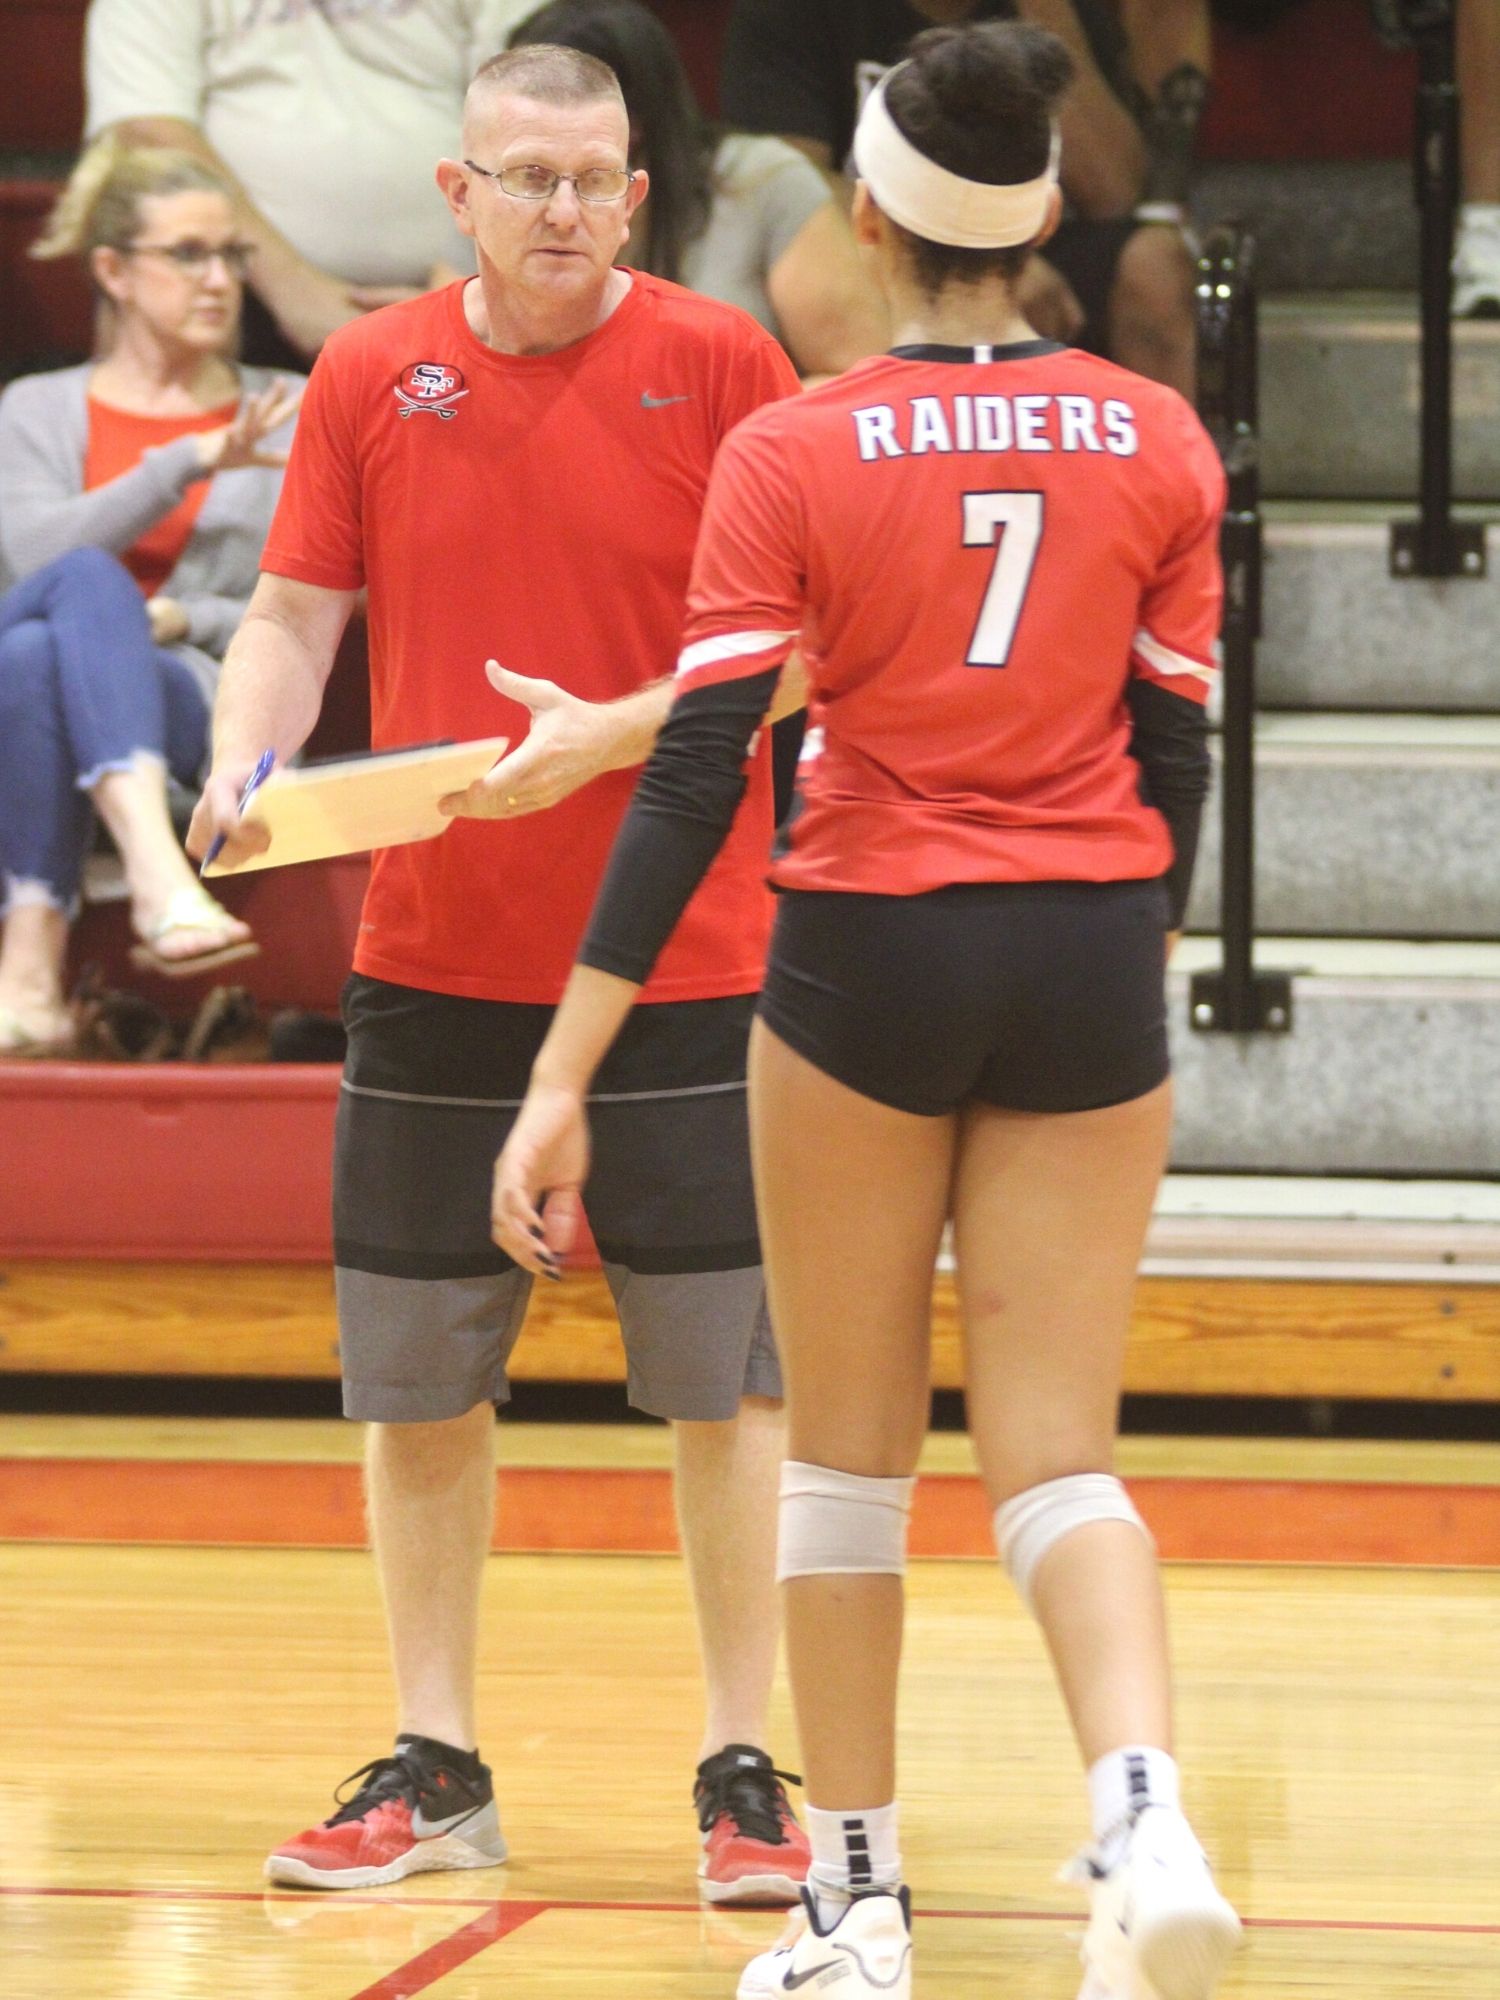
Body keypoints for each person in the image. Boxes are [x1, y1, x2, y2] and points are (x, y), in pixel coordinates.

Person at [493, 21, 1242, 2000]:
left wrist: (563, 1072)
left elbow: (695, 775)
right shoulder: (1161, 438)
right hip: (1090, 946)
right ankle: (1148, 1806)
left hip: (866, 954)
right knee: (1062, 1457)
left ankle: (856, 1909)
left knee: (840, 1460)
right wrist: (1117, 953)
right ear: (1050, 211)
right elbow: (1179, 760)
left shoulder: (794, 443)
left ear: (862, 212)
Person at [187, 42, 812, 1906]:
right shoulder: (375, 373)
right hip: (437, 962)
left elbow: (798, 661)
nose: (561, 208)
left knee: (731, 1389)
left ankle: (743, 1765)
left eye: (593, 178)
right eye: (523, 175)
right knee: (419, 1383)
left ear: (638, 192)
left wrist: (611, 742)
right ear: (456, 194)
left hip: (699, 956)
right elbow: (297, 613)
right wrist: (245, 749)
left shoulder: (725, 365)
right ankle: (437, 1760)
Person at [0, 137, 300, 1055]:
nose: (219, 279)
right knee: (56, 614)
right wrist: (185, 462)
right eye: (187, 254)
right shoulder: (37, 408)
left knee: (34, 650)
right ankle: (160, 883)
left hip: (205, 703)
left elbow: (313, 597)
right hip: (28, 694)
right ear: (113, 272)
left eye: (233, 254)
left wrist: (174, 619)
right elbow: (30, 561)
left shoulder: (290, 405)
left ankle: (29, 969)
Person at [719, 0, 1199, 396]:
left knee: (1154, 264)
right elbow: (790, 178)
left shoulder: (1062, 12)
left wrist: (1049, 18)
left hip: (1030, 243)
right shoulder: (786, 14)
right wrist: (979, 245)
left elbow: (1115, 192)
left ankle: (1158, 470)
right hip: (874, 238)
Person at [83, 0, 541, 361]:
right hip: (244, 303)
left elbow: (536, 104)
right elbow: (149, 129)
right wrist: (294, 292)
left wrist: (485, 291)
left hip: (473, 291)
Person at [508, 0, 886, 375]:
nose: (560, 207)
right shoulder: (493, 188)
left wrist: (735, 424)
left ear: (635, 121)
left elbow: (858, 380)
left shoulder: (765, 180)